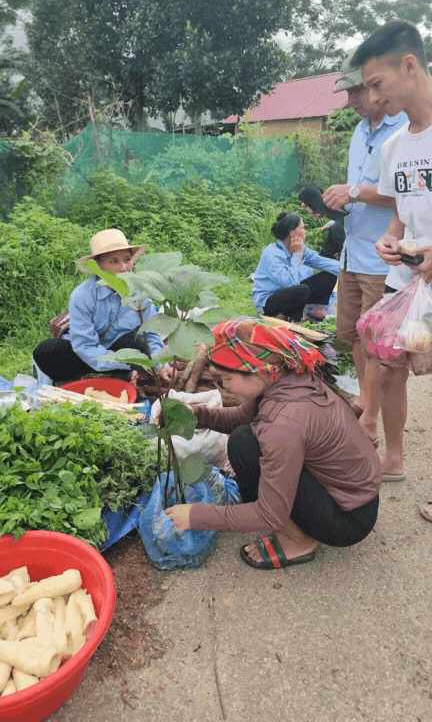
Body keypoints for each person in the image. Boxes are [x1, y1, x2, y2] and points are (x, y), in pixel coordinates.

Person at [165, 317, 381, 570]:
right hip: (348, 495)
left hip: (347, 519)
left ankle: (299, 542)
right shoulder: (286, 378)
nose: (223, 386)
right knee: (242, 439)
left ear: (259, 370)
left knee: (251, 451)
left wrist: (195, 516)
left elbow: (270, 514)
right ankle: (280, 520)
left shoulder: (283, 424)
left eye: (226, 378)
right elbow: (240, 419)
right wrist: (195, 413)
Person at [304, 47, 407, 449]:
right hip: (351, 251)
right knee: (354, 337)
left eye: (354, 93)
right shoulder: (360, 132)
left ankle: (371, 423)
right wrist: (336, 203)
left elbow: (404, 196)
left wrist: (354, 191)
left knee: (380, 347)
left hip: (381, 260)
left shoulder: (402, 131)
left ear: (373, 86)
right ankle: (366, 402)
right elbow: (358, 194)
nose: (349, 102)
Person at [351, 20, 432, 492]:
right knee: (390, 366)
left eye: (377, 85)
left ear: (409, 65)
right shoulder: (395, 146)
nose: (373, 98)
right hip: (409, 281)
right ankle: (395, 457)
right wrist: (389, 239)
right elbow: (401, 214)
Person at [33, 228, 171, 385]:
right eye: (114, 261)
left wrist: (160, 364)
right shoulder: (82, 296)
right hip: (86, 356)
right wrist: (125, 363)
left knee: (137, 340)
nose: (124, 267)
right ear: (98, 266)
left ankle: (126, 377)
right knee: (48, 351)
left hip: (122, 352)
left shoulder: (140, 293)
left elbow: (151, 334)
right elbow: (84, 346)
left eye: (127, 259)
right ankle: (75, 381)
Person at [252, 212, 339, 322]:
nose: (305, 231)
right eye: (302, 228)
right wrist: (297, 255)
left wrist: (347, 269)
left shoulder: (301, 248)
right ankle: (286, 319)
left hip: (292, 293)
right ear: (292, 232)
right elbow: (289, 282)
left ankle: (314, 312)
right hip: (269, 300)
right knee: (301, 289)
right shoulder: (271, 253)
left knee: (329, 276)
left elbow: (321, 261)